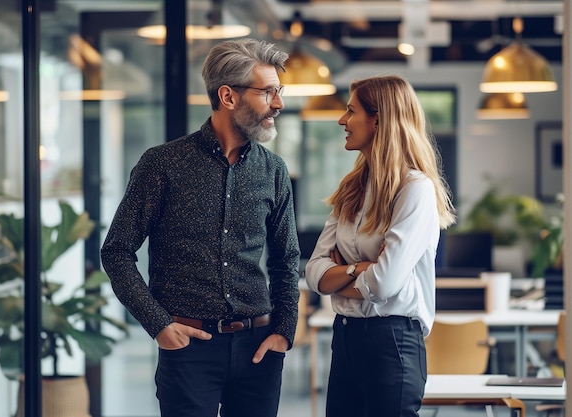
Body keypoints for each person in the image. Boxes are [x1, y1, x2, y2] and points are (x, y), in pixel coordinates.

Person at [100, 38, 300, 417]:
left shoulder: (273, 170)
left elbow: (286, 258)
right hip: (189, 349)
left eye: (279, 91)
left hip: (259, 349)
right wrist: (159, 324)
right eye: (268, 92)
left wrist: (283, 331)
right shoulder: (162, 164)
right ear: (228, 96)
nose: (279, 103)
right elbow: (117, 250)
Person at [305, 75, 456, 417]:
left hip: (392, 343)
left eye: (351, 111)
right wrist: (360, 270)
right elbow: (314, 273)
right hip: (345, 339)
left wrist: (341, 276)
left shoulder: (415, 190)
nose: (342, 120)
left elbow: (386, 283)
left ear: (378, 120)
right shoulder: (351, 188)